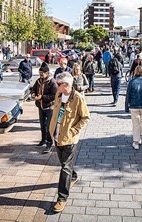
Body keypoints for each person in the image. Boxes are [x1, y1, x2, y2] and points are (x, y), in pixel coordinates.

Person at [49, 72, 90, 213]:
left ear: (66, 85)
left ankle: (62, 198)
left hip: (69, 139)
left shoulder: (78, 98)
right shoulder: (58, 95)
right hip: (56, 136)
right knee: (64, 164)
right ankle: (73, 176)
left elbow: (85, 118)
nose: (57, 86)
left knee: (65, 167)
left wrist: (73, 131)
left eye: (58, 84)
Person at [31, 63, 58, 154]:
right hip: (41, 107)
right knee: (42, 125)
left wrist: (42, 97)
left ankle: (49, 144)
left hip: (50, 107)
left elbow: (54, 96)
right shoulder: (39, 81)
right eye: (40, 73)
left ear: (47, 73)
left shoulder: (52, 82)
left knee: (49, 127)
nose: (40, 75)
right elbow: (33, 89)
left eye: (42, 73)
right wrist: (33, 94)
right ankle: (43, 140)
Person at [125, 66, 142, 150]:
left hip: (134, 105)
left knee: (136, 124)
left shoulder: (132, 82)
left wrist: (126, 106)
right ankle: (139, 137)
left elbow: (128, 95)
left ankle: (136, 141)